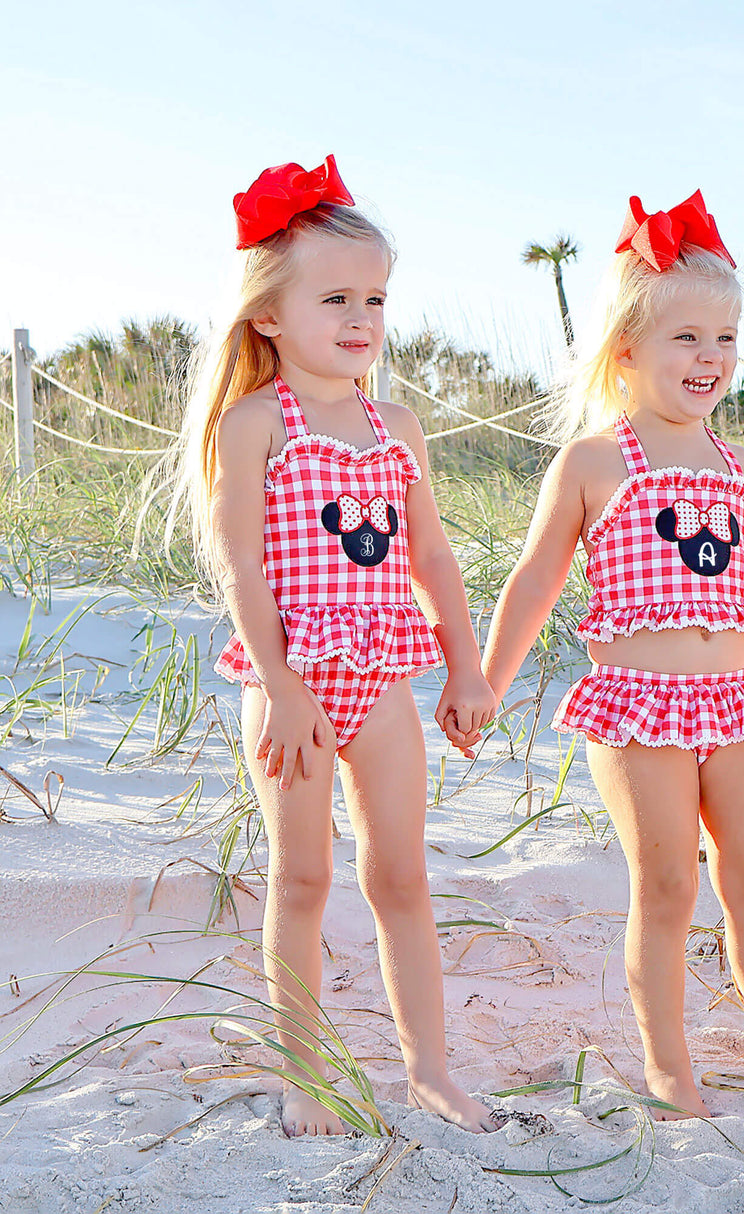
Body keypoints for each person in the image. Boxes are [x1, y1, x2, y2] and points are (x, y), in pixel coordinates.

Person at [479, 191, 744, 1118]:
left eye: (726, 339)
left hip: (739, 697)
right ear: (626, 347)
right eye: (686, 340)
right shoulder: (595, 461)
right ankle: (669, 1066)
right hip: (638, 701)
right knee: (665, 887)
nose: (710, 359)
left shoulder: (737, 464)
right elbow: (536, 582)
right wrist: (487, 683)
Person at [175, 156, 498, 1135]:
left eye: (374, 298)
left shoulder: (393, 424)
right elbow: (242, 565)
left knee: (401, 873)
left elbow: (430, 555)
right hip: (295, 682)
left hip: (382, 685)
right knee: (303, 877)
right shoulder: (252, 424)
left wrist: (467, 664)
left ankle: (429, 1069)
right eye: (335, 298)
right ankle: (302, 1074)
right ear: (268, 315)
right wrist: (278, 682)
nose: (361, 317)